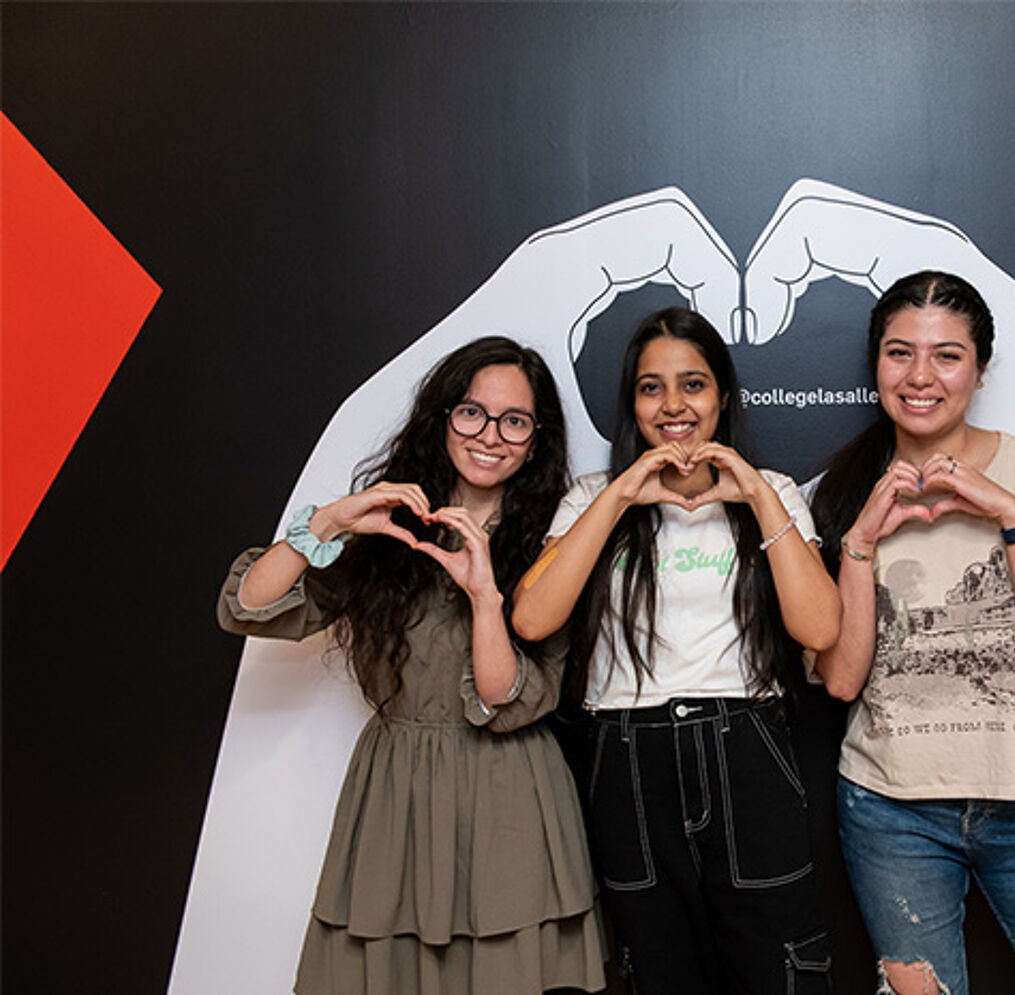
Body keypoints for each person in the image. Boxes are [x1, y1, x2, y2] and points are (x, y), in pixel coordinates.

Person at [216, 337, 606, 995]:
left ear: (536, 440)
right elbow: (249, 605)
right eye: (472, 413)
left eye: (515, 421)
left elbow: (507, 696)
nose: (490, 435)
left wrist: (486, 596)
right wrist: (332, 520)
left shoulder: (555, 541)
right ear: (442, 417)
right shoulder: (388, 527)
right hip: (395, 792)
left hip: (510, 794)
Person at [809, 272, 1015, 995]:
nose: (920, 376)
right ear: (876, 367)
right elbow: (839, 679)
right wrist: (859, 542)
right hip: (891, 812)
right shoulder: (836, 492)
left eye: (947, 355)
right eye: (900, 353)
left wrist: (1012, 517)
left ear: (980, 368)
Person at [511, 306, 841, 994]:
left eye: (693, 384)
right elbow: (534, 618)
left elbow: (819, 629)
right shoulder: (591, 498)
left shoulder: (772, 492)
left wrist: (752, 491)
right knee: (658, 965)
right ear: (631, 401)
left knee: (777, 963)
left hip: (747, 746)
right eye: (651, 386)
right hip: (629, 754)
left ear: (721, 395)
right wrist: (623, 492)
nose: (673, 405)